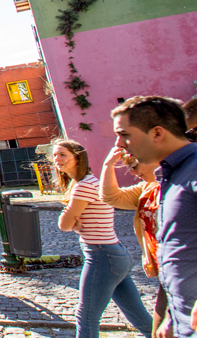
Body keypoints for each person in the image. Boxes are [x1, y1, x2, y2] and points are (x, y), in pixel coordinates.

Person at [110, 96, 197, 338]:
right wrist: (171, 316)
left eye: (124, 134)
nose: (120, 144)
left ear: (158, 133)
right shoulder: (172, 175)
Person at [51, 138, 152, 338]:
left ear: (77, 158)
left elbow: (64, 225)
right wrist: (72, 220)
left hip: (101, 255)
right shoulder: (85, 183)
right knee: (138, 315)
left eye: (62, 154)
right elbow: (71, 222)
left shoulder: (84, 186)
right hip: (114, 254)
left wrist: (73, 221)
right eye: (54, 155)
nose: (57, 159)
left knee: (86, 316)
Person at [99, 146, 169, 337]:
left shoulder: (179, 184)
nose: (132, 171)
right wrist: (108, 165)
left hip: (190, 269)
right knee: (161, 330)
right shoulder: (146, 188)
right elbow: (112, 197)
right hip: (165, 270)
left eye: (134, 165)